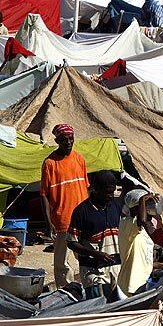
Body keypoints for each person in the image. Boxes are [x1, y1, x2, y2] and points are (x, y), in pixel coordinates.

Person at [41, 124, 89, 288]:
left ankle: (88, 287)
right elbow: (45, 196)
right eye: (63, 140)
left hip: (82, 219)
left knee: (85, 256)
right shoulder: (50, 163)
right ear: (57, 141)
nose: (68, 142)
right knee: (63, 262)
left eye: (70, 139)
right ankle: (65, 291)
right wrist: (49, 223)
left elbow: (85, 189)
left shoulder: (79, 159)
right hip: (62, 220)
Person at [66, 171, 121, 300]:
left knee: (115, 307)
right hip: (92, 270)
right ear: (95, 190)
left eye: (112, 192)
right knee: (96, 308)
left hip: (114, 269)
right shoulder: (81, 211)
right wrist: (96, 254)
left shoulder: (115, 206)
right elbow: (71, 242)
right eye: (107, 192)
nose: (110, 196)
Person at [118, 189, 163, 296]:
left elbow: (141, 260)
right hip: (131, 286)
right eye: (145, 205)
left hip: (141, 284)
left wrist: (162, 266)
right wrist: (143, 199)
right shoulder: (127, 224)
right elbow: (141, 220)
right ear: (135, 208)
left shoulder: (141, 231)